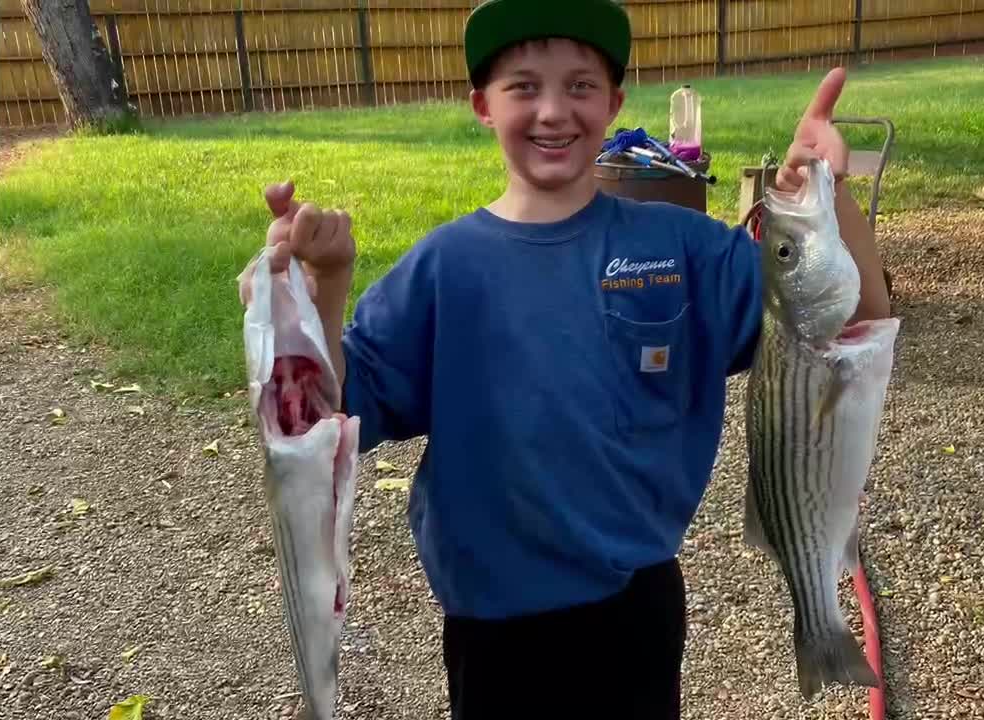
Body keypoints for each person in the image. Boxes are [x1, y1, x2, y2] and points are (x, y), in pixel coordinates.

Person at [251, 0, 890, 717]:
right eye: (524, 86)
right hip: (493, 621)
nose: (554, 110)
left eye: (580, 86)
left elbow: (847, 316)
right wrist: (327, 283)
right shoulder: (443, 267)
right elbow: (333, 410)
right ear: (482, 106)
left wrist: (826, 202)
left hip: (635, 606)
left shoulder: (683, 249)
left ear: (614, 104)